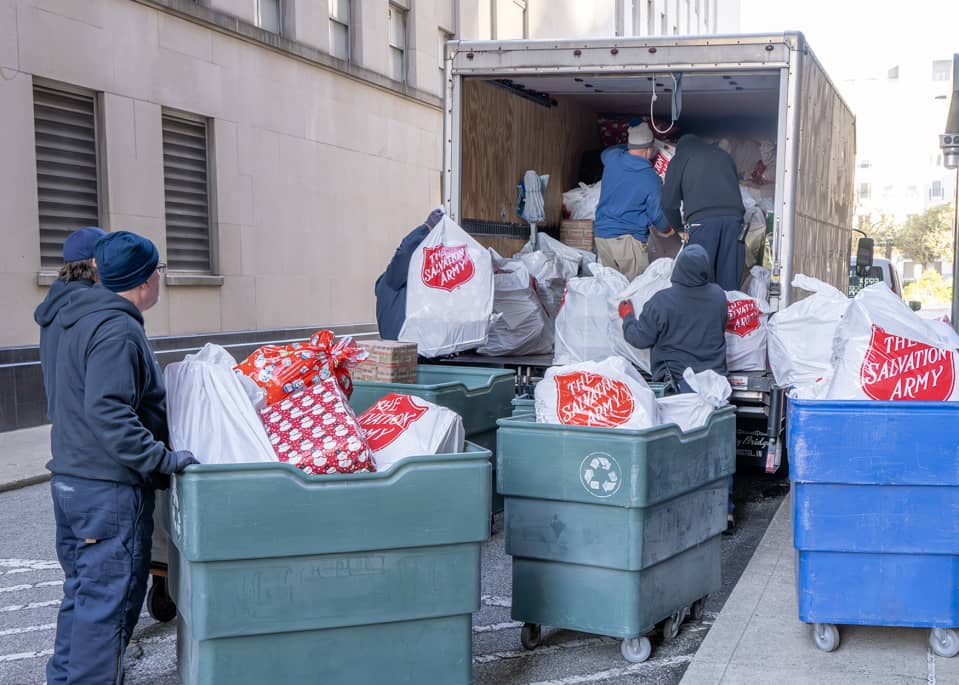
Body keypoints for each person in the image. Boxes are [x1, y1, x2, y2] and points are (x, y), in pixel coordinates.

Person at [42, 230, 198, 685]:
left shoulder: (76, 315)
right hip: (106, 488)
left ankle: (65, 678)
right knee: (106, 608)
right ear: (146, 281)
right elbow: (109, 411)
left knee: (84, 597)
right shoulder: (116, 328)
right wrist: (162, 460)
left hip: (72, 477)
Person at [618, 244, 734, 526]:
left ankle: (683, 512)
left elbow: (640, 338)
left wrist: (627, 317)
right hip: (715, 387)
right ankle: (724, 510)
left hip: (677, 387)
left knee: (679, 451)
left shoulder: (663, 300)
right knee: (717, 449)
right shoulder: (719, 297)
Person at [34, 226, 106, 415]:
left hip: (63, 426)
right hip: (86, 428)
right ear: (95, 262)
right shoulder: (88, 304)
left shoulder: (56, 300)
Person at [661, 134, 746, 291]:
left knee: (698, 277)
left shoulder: (680, 158)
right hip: (735, 221)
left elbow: (668, 203)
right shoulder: (724, 155)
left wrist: (679, 229)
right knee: (729, 280)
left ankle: (704, 313)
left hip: (703, 221)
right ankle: (729, 312)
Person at [593, 122, 672, 280]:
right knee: (634, 292)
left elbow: (606, 152)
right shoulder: (650, 177)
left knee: (612, 288)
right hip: (627, 241)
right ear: (648, 149)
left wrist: (629, 146)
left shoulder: (613, 158)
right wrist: (668, 230)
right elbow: (656, 214)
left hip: (602, 237)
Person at [375, 207, 445, 340]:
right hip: (403, 344)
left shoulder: (404, 284)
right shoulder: (393, 280)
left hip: (409, 345)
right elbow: (405, 252)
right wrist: (427, 228)